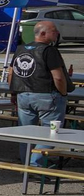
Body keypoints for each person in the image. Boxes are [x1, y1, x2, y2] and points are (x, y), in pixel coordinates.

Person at [8, 20, 71, 166]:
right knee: (51, 133)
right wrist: (63, 94)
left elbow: (11, 73)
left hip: (23, 95)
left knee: (25, 132)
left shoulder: (20, 49)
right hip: (47, 95)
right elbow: (58, 77)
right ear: (43, 33)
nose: (57, 33)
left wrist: (13, 92)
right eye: (54, 31)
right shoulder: (49, 51)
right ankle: (36, 164)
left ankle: (26, 165)